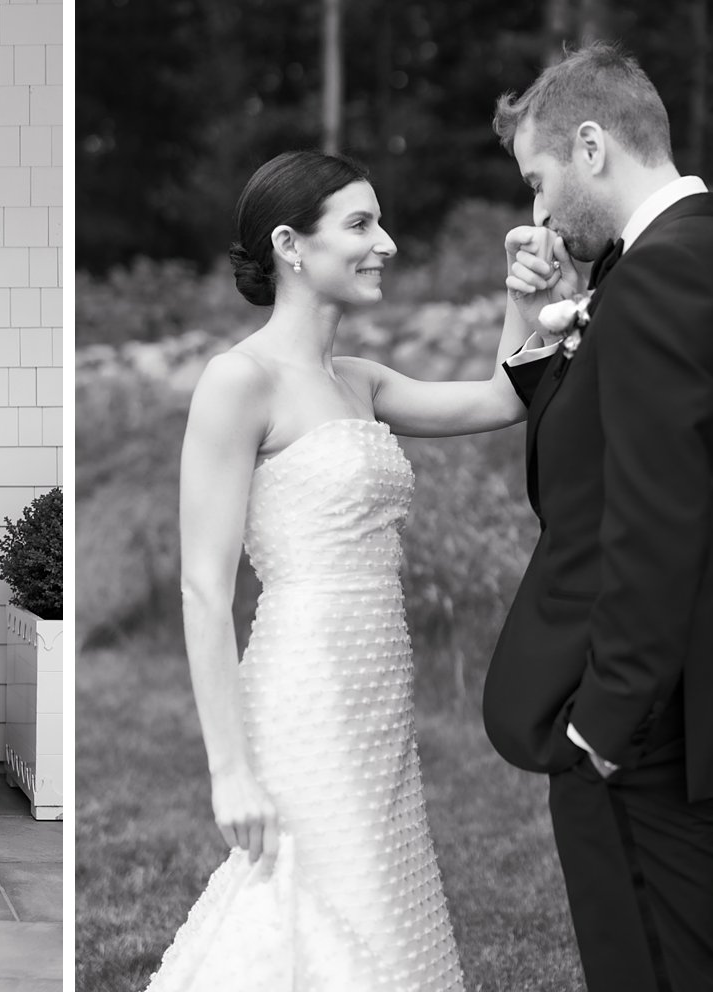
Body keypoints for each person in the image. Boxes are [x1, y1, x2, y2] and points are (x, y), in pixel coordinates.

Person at [144, 149, 569, 990]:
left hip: (378, 681)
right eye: (361, 224)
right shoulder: (238, 381)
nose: (389, 243)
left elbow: (501, 399)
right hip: (304, 686)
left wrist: (524, 304)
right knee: (314, 890)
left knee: (378, 888)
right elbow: (203, 585)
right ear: (291, 246)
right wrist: (228, 769)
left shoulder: (361, 381)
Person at [484, 43, 713, 992]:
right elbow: (603, 461)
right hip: (677, 688)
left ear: (590, 145)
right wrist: (546, 328)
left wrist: (600, 729)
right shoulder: (705, 256)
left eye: (538, 181)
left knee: (644, 967)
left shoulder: (661, 278)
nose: (537, 212)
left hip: (633, 716)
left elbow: (654, 524)